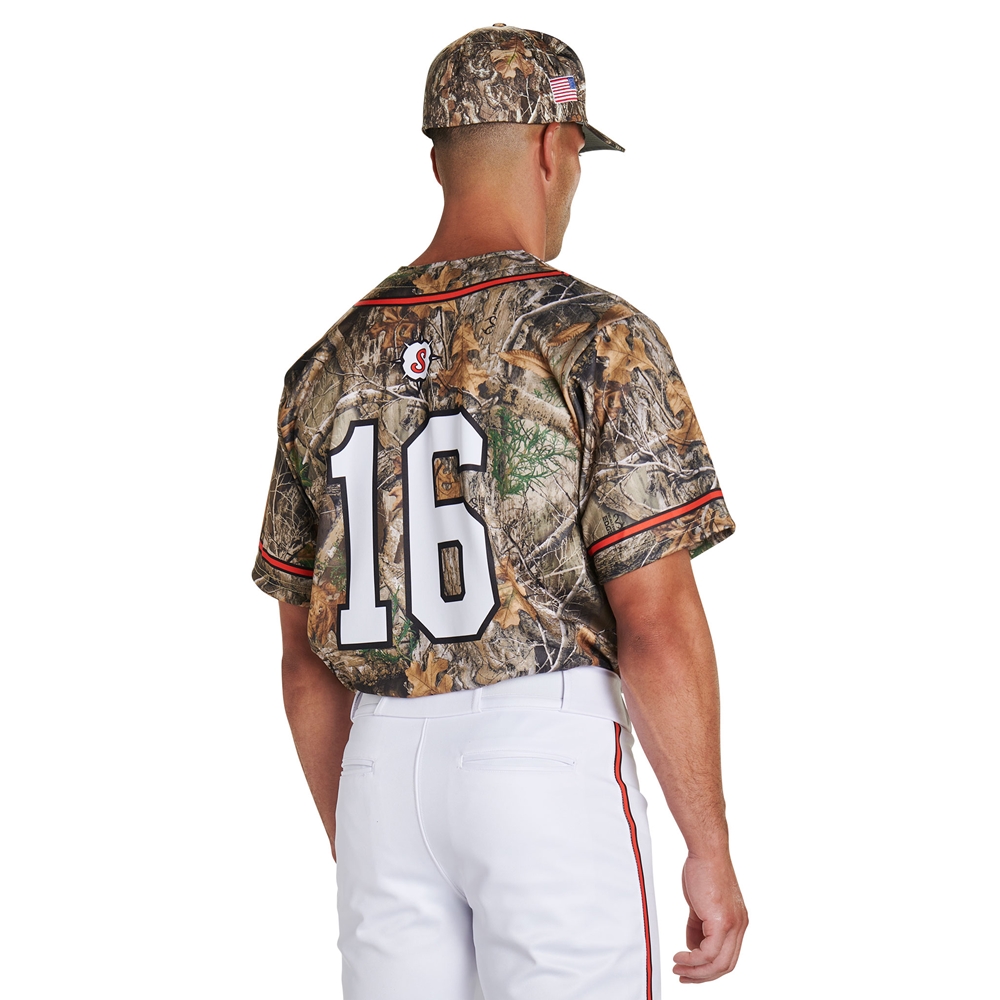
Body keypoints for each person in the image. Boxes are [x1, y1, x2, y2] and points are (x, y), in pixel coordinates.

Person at [253, 24, 747, 1000]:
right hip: (543, 759)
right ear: (551, 146)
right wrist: (709, 844)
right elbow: (655, 621)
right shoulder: (595, 337)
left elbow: (303, 660)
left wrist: (368, 833)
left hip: (378, 768)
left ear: (440, 156)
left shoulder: (324, 363)